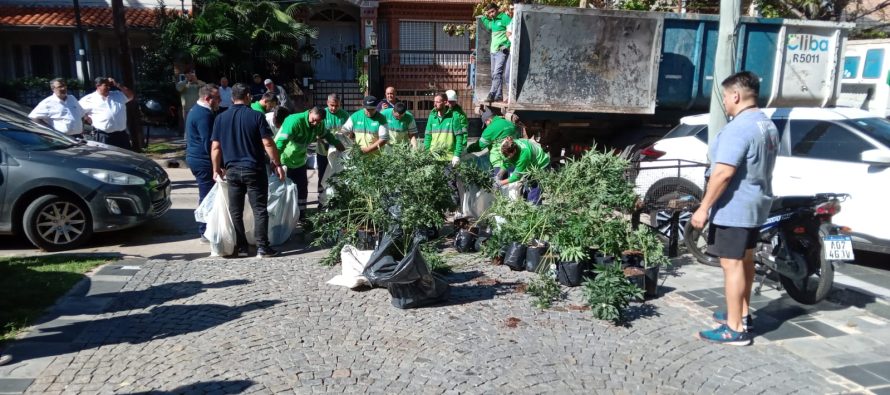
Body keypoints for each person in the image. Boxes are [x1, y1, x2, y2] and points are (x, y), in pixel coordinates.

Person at [691, 71, 779, 346]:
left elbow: (723, 174)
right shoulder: (766, 124)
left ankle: (734, 328)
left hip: (735, 206)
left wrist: (703, 208)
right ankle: (740, 313)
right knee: (745, 260)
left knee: (731, 264)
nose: (725, 103)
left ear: (736, 95)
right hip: (755, 203)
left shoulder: (739, 127)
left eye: (726, 97)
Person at [210, 83, 286, 258]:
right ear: (248, 96)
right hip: (254, 169)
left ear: (231, 98)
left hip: (232, 170)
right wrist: (277, 163)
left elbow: (215, 147)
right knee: (259, 209)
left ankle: (242, 247)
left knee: (235, 211)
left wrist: (216, 169)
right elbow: (267, 143)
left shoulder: (220, 118)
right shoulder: (256, 116)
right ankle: (262, 247)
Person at [275, 107, 346, 222]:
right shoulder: (294, 121)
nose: (315, 123)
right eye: (313, 119)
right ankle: (283, 216)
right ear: (310, 113)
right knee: (285, 190)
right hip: (285, 160)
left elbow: (327, 135)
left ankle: (301, 214)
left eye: (318, 121)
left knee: (302, 188)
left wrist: (337, 144)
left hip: (300, 160)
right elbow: (280, 144)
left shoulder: (318, 125)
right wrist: (276, 163)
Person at [185, 84, 221, 243]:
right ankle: (205, 230)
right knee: (207, 196)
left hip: (197, 158)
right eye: (217, 98)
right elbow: (210, 143)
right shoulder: (204, 115)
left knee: (208, 194)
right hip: (203, 161)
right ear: (208, 98)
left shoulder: (196, 110)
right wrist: (218, 165)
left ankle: (207, 228)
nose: (219, 100)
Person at [79, 76, 135, 150]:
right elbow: (77, 111)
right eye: (106, 85)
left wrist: (118, 84)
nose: (109, 87)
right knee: (108, 159)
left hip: (121, 135)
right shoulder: (89, 99)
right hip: (104, 136)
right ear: (98, 86)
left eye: (109, 85)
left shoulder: (117, 94)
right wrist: (86, 117)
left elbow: (131, 96)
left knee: (126, 158)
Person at [467, 109, 519, 180]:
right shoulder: (510, 124)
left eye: (485, 123)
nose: (486, 125)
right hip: (514, 161)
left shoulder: (490, 129)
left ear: (489, 120)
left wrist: (468, 149)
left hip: (500, 162)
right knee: (512, 187)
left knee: (499, 187)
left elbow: (479, 146)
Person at [498, 136, 549, 204]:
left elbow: (516, 176)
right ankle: (527, 206)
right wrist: (500, 173)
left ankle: (534, 209)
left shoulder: (524, 155)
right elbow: (507, 161)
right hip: (530, 165)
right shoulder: (510, 144)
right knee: (528, 187)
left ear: (514, 151)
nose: (507, 157)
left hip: (540, 165)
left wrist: (499, 183)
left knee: (534, 189)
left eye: (508, 155)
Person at [318, 93, 350, 193]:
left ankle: (336, 197)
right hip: (323, 151)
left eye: (337, 105)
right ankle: (322, 200)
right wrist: (326, 143)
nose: (334, 108)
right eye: (332, 105)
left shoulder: (345, 115)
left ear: (340, 104)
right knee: (323, 175)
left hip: (339, 152)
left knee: (337, 174)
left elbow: (348, 133)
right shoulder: (322, 114)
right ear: (327, 103)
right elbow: (317, 132)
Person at [481, 2, 512, 103]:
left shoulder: (504, 18)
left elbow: (512, 30)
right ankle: (498, 96)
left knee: (497, 73)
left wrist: (506, 45)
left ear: (497, 9)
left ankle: (492, 94)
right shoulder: (492, 21)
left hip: (501, 51)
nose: (491, 14)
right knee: (494, 74)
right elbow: (488, 25)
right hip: (493, 52)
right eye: (489, 13)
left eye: (493, 11)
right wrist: (483, 17)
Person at [424, 93, 466, 165]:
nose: (435, 104)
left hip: (449, 157)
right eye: (434, 102)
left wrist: (457, 155)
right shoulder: (431, 117)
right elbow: (428, 136)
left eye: (437, 102)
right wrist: (426, 152)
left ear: (445, 102)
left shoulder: (454, 117)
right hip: (433, 157)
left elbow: (459, 137)